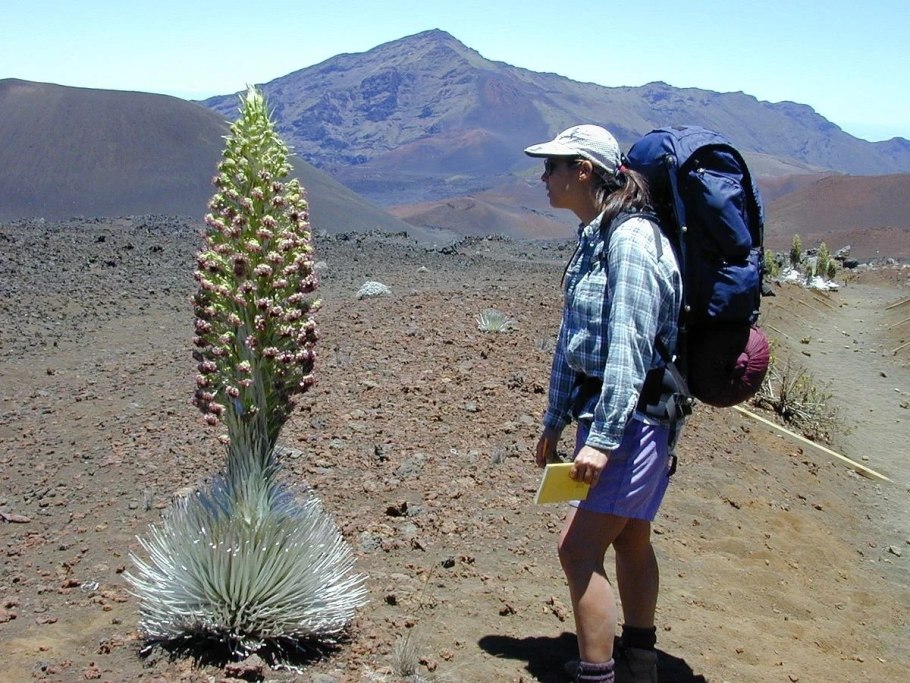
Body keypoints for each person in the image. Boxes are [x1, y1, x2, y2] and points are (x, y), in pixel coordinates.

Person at [524, 125, 684, 683]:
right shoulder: (597, 234)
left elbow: (630, 347)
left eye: (553, 167)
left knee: (577, 549)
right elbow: (577, 339)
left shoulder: (630, 240)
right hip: (615, 419)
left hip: (631, 422)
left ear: (583, 171)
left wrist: (602, 438)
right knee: (632, 536)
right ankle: (640, 663)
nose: (544, 178)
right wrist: (556, 418)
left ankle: (599, 676)